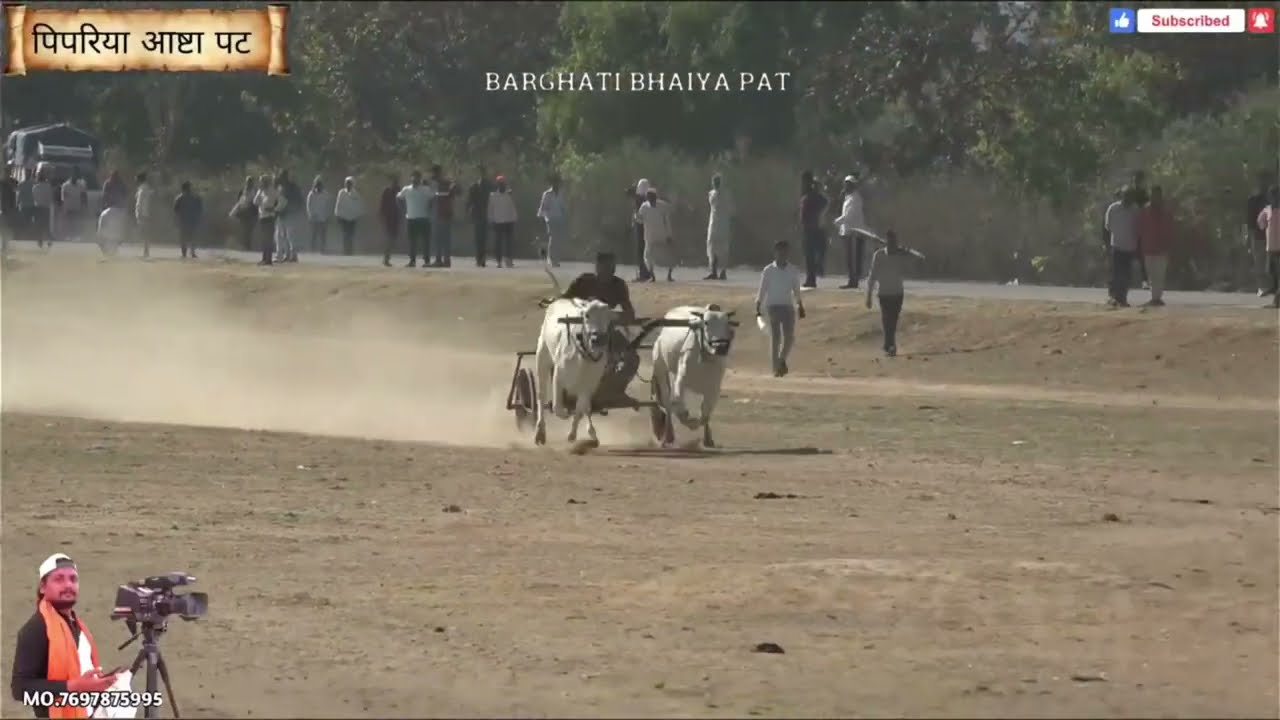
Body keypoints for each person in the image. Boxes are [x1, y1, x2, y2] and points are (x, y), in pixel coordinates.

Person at [10, 553, 121, 718]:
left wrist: (100, 683)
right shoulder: (36, 628)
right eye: (59, 579)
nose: (68, 585)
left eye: (73, 579)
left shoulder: (77, 624)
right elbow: (20, 689)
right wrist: (74, 686)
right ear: (42, 587)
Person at [561, 251, 639, 407]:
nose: (610, 271)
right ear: (597, 267)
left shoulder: (618, 285)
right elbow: (563, 304)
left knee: (631, 358)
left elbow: (629, 313)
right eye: (606, 267)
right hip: (579, 332)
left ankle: (614, 390)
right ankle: (568, 391)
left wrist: (611, 317)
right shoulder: (583, 282)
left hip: (607, 332)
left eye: (612, 268)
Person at [865, 230, 920, 357]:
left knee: (893, 320)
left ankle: (889, 344)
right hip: (884, 293)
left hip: (897, 293)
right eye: (890, 241)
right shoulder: (879, 255)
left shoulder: (901, 255)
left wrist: (908, 252)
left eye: (894, 241)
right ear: (886, 242)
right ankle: (890, 345)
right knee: (886, 319)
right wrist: (868, 296)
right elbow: (872, 276)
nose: (892, 244)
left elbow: (918, 261)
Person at [755, 240, 806, 377]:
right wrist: (758, 304)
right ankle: (775, 367)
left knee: (789, 337)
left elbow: (796, 289)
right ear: (775, 253)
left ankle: (781, 360)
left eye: (785, 252)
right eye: (780, 252)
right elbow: (762, 288)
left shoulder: (793, 270)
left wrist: (800, 304)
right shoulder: (768, 270)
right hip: (773, 306)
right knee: (776, 337)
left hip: (788, 306)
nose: (782, 255)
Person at [1137, 185, 1175, 306]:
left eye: (1157, 195)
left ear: (1160, 196)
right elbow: (1140, 228)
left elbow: (1170, 230)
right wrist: (1140, 244)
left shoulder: (1166, 211)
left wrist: (1170, 247)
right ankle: (1155, 298)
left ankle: (1156, 298)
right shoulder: (1145, 210)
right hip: (1148, 248)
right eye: (1153, 194)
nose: (1155, 197)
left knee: (1159, 275)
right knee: (1151, 275)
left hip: (1162, 249)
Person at [1104, 187, 1141, 307]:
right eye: (1125, 195)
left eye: (1130, 196)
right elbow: (1107, 226)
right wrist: (1107, 244)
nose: (1127, 198)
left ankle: (1122, 298)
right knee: (1115, 273)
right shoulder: (1113, 208)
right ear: (1122, 196)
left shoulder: (1135, 210)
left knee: (1126, 275)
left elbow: (1138, 228)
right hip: (1116, 245)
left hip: (1130, 247)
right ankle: (1113, 297)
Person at [833, 174, 866, 289]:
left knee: (853, 258)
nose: (845, 186)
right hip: (848, 232)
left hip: (854, 232)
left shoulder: (855, 199)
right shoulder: (848, 198)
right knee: (850, 258)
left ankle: (853, 280)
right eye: (845, 184)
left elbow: (849, 216)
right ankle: (852, 279)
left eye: (848, 184)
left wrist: (837, 221)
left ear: (853, 186)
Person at [636, 187, 674, 282]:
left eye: (652, 196)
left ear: (655, 197)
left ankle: (669, 275)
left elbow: (667, 221)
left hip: (662, 234)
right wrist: (636, 218)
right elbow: (640, 220)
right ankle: (652, 276)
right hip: (650, 236)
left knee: (668, 255)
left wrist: (669, 235)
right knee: (648, 256)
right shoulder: (644, 206)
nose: (651, 198)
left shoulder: (663, 206)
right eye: (649, 197)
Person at [798, 171, 828, 288]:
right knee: (813, 253)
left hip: (812, 227)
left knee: (810, 254)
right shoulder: (811, 192)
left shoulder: (810, 192)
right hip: (813, 226)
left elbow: (824, 203)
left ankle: (812, 276)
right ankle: (813, 275)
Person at [1247, 171, 1274, 297]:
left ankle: (1270, 286)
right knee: (1259, 263)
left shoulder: (1274, 199)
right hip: (1259, 236)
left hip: (1272, 236)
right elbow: (1250, 221)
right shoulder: (1253, 199)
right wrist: (1249, 236)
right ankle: (1263, 286)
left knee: (1270, 264)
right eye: (1262, 180)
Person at [398, 171, 432, 268]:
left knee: (425, 241)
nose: (415, 179)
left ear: (420, 179)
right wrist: (403, 210)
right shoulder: (406, 189)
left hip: (424, 218)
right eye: (413, 177)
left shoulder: (426, 189)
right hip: (411, 218)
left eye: (417, 177)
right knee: (412, 241)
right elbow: (399, 198)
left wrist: (429, 209)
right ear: (411, 178)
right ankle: (412, 261)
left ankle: (427, 261)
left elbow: (433, 199)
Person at [705, 173, 733, 281]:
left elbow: (730, 208)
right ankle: (713, 271)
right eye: (714, 182)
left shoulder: (726, 194)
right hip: (713, 222)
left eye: (717, 182)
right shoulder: (711, 193)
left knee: (723, 247)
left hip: (723, 223)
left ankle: (723, 272)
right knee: (712, 246)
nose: (715, 184)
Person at [1257, 185, 1280, 309]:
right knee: (1271, 273)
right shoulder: (1267, 210)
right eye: (1273, 195)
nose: (1275, 198)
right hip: (1271, 248)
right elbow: (1261, 223)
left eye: (1277, 195)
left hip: (1276, 248)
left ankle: (1277, 301)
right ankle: (1276, 298)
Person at [487, 175, 517, 268]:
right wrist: (490, 220)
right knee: (498, 243)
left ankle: (508, 260)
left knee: (509, 242)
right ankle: (498, 261)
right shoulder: (493, 196)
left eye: (503, 184)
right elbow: (490, 209)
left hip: (508, 220)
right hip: (498, 221)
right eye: (500, 184)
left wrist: (514, 218)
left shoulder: (508, 195)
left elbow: (512, 208)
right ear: (497, 185)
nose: (502, 185)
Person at [466, 165, 492, 267]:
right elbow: (469, 201)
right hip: (478, 214)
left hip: (485, 214)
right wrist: (467, 211)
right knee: (479, 238)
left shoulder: (488, 186)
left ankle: (482, 258)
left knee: (483, 238)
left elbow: (492, 200)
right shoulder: (474, 186)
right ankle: (479, 258)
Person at [537, 175, 565, 267]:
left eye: (557, 182)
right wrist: (545, 218)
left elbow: (562, 206)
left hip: (559, 217)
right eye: (554, 182)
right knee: (553, 238)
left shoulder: (561, 193)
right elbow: (543, 207)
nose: (556, 184)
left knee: (558, 239)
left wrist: (564, 216)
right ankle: (552, 259)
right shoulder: (547, 194)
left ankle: (556, 259)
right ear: (552, 183)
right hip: (550, 218)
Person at [332, 176, 364, 256]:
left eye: (350, 183)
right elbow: (338, 204)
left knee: (351, 234)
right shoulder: (341, 192)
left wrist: (359, 215)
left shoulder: (356, 194)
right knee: (345, 234)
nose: (348, 185)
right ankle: (345, 250)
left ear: (353, 184)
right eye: (347, 183)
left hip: (353, 217)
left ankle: (350, 250)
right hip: (343, 217)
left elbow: (359, 205)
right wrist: (337, 214)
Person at [173, 180, 203, 259]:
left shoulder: (179, 198)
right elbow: (199, 209)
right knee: (192, 237)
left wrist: (176, 221)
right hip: (192, 220)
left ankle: (184, 254)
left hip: (183, 221)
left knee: (183, 238)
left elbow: (175, 211)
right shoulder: (195, 197)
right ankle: (192, 253)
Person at [254, 173, 279, 266]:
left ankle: (268, 259)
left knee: (268, 239)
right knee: (264, 239)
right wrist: (259, 192)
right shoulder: (261, 191)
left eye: (262, 182)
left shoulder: (272, 191)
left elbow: (282, 201)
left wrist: (274, 209)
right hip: (262, 217)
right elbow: (255, 202)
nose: (260, 183)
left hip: (269, 217)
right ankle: (264, 259)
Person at [431, 178, 457, 268]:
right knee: (445, 241)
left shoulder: (443, 194)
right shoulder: (447, 194)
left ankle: (441, 260)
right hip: (444, 218)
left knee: (440, 240)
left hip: (442, 218)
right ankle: (445, 260)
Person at [228, 175, 257, 252]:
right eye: (248, 182)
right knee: (244, 229)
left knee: (249, 230)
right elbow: (239, 202)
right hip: (243, 212)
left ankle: (247, 245)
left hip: (251, 212)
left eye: (250, 182)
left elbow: (255, 202)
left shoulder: (255, 191)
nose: (249, 183)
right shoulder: (242, 191)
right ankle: (244, 245)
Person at [632, 178, 652, 280]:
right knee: (646, 250)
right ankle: (647, 272)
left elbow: (638, 215)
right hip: (648, 227)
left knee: (640, 250)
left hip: (640, 226)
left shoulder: (639, 200)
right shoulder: (650, 200)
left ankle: (643, 273)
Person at [306, 176, 332, 254]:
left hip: (323, 217)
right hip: (314, 217)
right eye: (317, 184)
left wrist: (327, 215)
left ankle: (322, 249)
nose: (318, 186)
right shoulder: (311, 194)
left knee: (322, 235)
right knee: (313, 234)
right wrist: (310, 214)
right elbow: (308, 205)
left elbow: (328, 206)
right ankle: (312, 249)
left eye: (319, 184)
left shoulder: (325, 194)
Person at [379, 174, 401, 267]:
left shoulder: (398, 190)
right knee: (390, 238)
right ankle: (386, 258)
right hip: (389, 218)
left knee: (393, 238)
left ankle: (387, 257)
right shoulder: (387, 191)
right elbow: (383, 204)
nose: (394, 183)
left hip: (396, 218)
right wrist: (382, 215)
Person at [31, 171, 55, 248]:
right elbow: (50, 197)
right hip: (46, 208)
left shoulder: (34, 187)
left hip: (38, 208)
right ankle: (49, 240)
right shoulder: (48, 187)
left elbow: (34, 198)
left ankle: (40, 241)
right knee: (46, 225)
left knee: (39, 226)